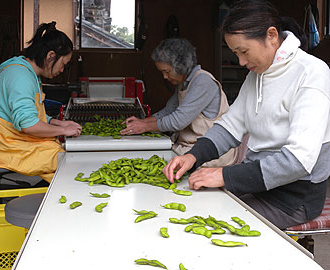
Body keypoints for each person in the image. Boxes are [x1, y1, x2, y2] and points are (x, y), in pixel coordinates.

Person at [163, 0, 330, 230]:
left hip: (293, 198)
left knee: (212, 226)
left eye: (244, 51)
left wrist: (226, 176)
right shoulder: (258, 74)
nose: (241, 62)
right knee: (191, 206)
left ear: (271, 35)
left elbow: (297, 162)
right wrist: (193, 156)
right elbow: (231, 126)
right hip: (258, 185)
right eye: (235, 53)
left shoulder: (311, 73)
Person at [0, 21, 82, 185]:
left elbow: (30, 115)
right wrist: (62, 130)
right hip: (5, 146)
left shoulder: (28, 73)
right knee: (67, 160)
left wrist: (55, 122)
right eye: (63, 65)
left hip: (15, 140)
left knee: (65, 156)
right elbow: (28, 125)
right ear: (50, 56)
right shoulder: (19, 76)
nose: (62, 70)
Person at [121, 38, 238, 167]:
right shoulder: (183, 83)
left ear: (181, 66)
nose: (165, 77)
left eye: (167, 71)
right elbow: (168, 112)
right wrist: (141, 122)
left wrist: (145, 127)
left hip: (209, 156)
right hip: (188, 149)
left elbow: (178, 121)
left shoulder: (203, 82)